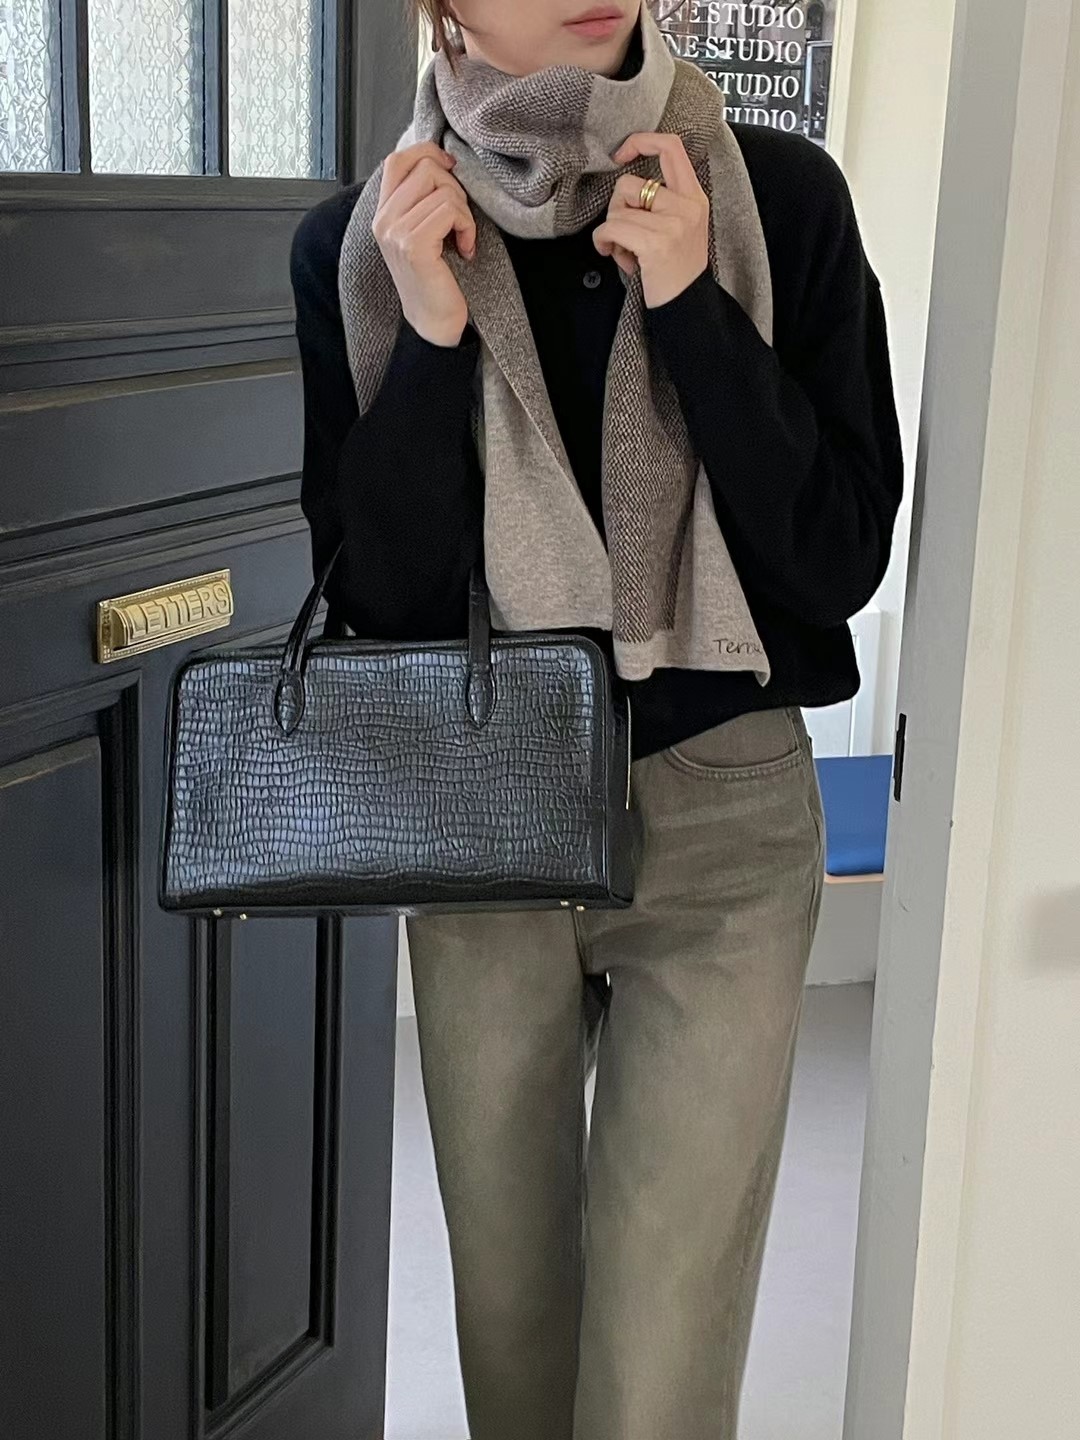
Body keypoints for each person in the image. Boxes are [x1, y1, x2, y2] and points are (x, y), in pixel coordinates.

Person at [291, 2, 903, 1435]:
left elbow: (836, 557)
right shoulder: (365, 243)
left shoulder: (777, 198)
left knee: (663, 1347)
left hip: (724, 811)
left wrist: (692, 308)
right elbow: (381, 600)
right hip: (485, 813)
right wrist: (430, 338)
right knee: (510, 1321)